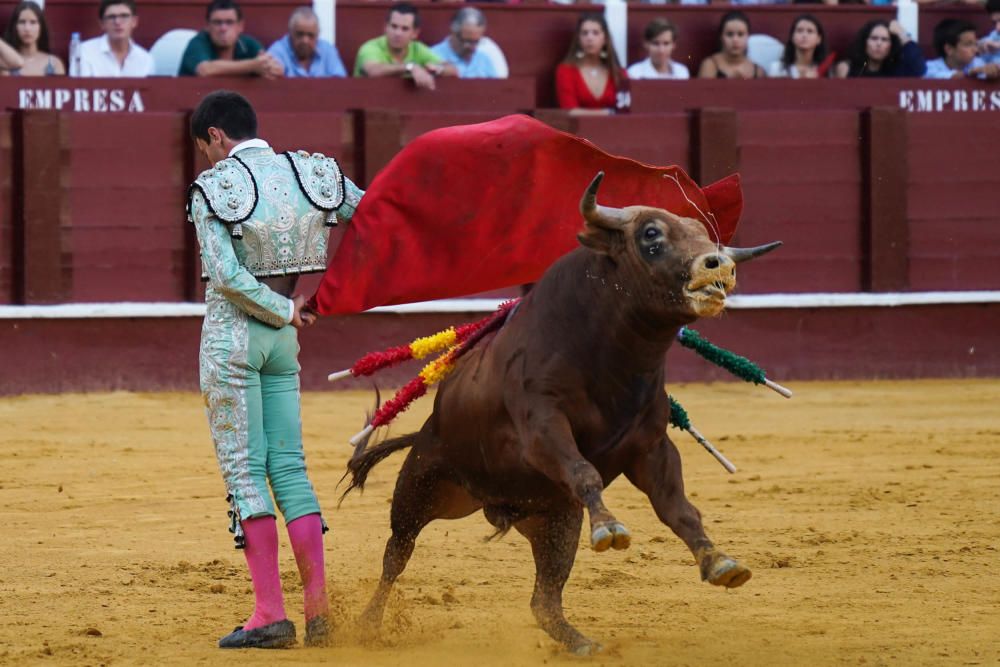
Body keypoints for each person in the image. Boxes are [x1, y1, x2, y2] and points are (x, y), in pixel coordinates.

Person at [188, 89, 365, 649]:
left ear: (215, 135)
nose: (207, 162)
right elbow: (374, 220)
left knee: (246, 472)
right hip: (285, 341)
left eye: (204, 149)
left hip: (234, 338)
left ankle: (269, 613)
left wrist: (286, 309)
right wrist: (315, 301)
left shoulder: (215, 187)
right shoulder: (313, 173)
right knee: (289, 467)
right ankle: (318, 612)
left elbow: (225, 278)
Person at [353, 2, 456, 91]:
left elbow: (453, 70)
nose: (398, 33)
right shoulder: (370, 47)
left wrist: (438, 69)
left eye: (405, 29)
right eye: (394, 26)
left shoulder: (417, 48)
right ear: (385, 27)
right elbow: (373, 71)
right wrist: (410, 67)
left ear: (415, 33)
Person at [178, 0, 282, 78]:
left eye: (229, 22)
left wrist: (271, 67)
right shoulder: (198, 42)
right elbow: (204, 70)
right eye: (217, 22)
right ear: (208, 26)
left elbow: (275, 69)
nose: (223, 28)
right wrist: (252, 66)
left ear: (240, 26)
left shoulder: (249, 44)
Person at [555, 13, 630, 115]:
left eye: (595, 33)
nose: (589, 38)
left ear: (605, 38)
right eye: (584, 33)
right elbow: (569, 111)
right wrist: (608, 113)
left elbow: (626, 109)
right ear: (578, 39)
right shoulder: (566, 71)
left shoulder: (618, 72)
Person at [77, 0, 153, 77]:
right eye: (111, 17)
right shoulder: (84, 52)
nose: (117, 22)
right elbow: (78, 87)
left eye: (124, 16)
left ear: (134, 21)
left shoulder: (145, 59)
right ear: (102, 23)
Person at [267, 6, 346, 78]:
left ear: (318, 35)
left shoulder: (328, 50)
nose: (305, 40)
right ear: (290, 32)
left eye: (310, 35)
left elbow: (341, 83)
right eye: (300, 34)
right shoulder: (278, 51)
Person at [833, 20, 925, 78]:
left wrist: (902, 34)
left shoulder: (896, 70)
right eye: (874, 38)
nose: (879, 43)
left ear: (892, 45)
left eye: (884, 39)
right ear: (864, 42)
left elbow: (919, 69)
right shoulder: (848, 69)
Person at [430, 7, 500, 78]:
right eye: (468, 41)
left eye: (476, 42)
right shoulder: (433, 56)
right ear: (453, 33)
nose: (473, 48)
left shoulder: (484, 59)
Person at [697, 11, 766, 79]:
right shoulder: (709, 66)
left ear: (748, 37)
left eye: (740, 34)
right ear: (721, 37)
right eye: (729, 34)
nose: (735, 40)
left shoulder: (758, 71)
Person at [925, 18, 1000, 80]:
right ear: (949, 49)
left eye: (975, 44)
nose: (975, 50)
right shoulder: (929, 68)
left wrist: (993, 74)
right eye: (968, 44)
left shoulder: (978, 63)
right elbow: (954, 77)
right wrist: (971, 73)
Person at [2, 1, 63, 76]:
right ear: (15, 27)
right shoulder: (6, 64)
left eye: (33, 22)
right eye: (22, 22)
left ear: (41, 27)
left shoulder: (54, 63)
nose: (27, 28)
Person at [769, 14, 833, 78]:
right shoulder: (777, 68)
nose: (804, 35)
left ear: (818, 39)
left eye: (810, 31)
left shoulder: (826, 70)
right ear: (792, 37)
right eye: (799, 31)